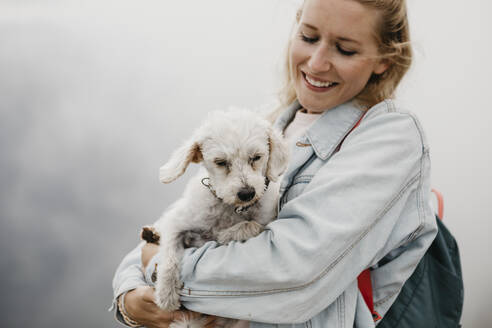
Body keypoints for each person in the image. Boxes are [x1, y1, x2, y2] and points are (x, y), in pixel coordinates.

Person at [110, 0, 438, 327]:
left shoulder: (389, 137)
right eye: (309, 37)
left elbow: (290, 271)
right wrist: (129, 298)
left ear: (384, 59)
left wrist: (161, 267)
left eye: (345, 50)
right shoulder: (266, 125)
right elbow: (165, 230)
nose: (317, 62)